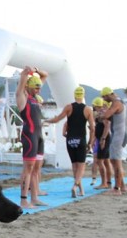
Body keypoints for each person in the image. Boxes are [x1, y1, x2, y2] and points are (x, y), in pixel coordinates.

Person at [46, 86, 95, 197]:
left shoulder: (68, 107)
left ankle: (81, 190)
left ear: (74, 95)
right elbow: (92, 128)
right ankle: (75, 186)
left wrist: (46, 120)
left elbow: (58, 119)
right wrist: (90, 143)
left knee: (74, 166)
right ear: (83, 96)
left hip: (70, 140)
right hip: (81, 139)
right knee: (81, 166)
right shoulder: (88, 109)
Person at [16, 66, 48, 209]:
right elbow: (23, 78)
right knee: (28, 168)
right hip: (29, 135)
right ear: (28, 86)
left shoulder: (35, 98)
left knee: (36, 169)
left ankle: (34, 198)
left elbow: (45, 75)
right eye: (36, 88)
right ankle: (24, 199)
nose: (38, 90)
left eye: (39, 88)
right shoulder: (22, 97)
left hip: (39, 136)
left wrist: (36, 70)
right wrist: (27, 72)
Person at [100, 87, 127, 194]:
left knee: (116, 162)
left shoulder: (116, 103)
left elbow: (106, 115)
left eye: (104, 97)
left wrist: (99, 115)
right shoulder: (120, 102)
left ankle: (117, 189)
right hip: (119, 133)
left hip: (119, 135)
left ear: (108, 95)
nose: (104, 100)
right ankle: (123, 186)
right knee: (114, 161)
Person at [91, 97, 113, 189]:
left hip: (104, 139)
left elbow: (107, 125)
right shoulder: (102, 113)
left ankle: (104, 183)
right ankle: (108, 182)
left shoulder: (103, 113)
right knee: (107, 161)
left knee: (100, 161)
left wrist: (103, 139)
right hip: (103, 138)